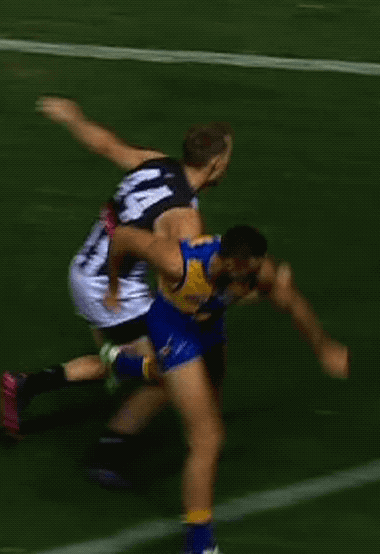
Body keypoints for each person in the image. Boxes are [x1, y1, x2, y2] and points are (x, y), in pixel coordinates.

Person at [0, 98, 231, 455]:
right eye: (227, 159)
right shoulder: (185, 219)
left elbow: (106, 145)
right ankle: (108, 450)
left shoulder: (158, 164)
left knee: (126, 360)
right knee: (171, 369)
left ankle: (29, 385)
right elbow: (177, 279)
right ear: (215, 164)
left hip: (85, 267)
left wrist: (73, 117)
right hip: (112, 290)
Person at [104, 224, 349, 554]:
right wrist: (114, 287)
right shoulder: (177, 263)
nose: (254, 277)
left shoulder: (254, 269)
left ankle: (127, 364)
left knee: (210, 395)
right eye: (248, 272)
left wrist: (324, 348)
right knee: (207, 438)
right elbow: (122, 237)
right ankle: (199, 544)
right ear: (230, 263)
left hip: (209, 326)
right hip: (173, 328)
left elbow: (291, 301)